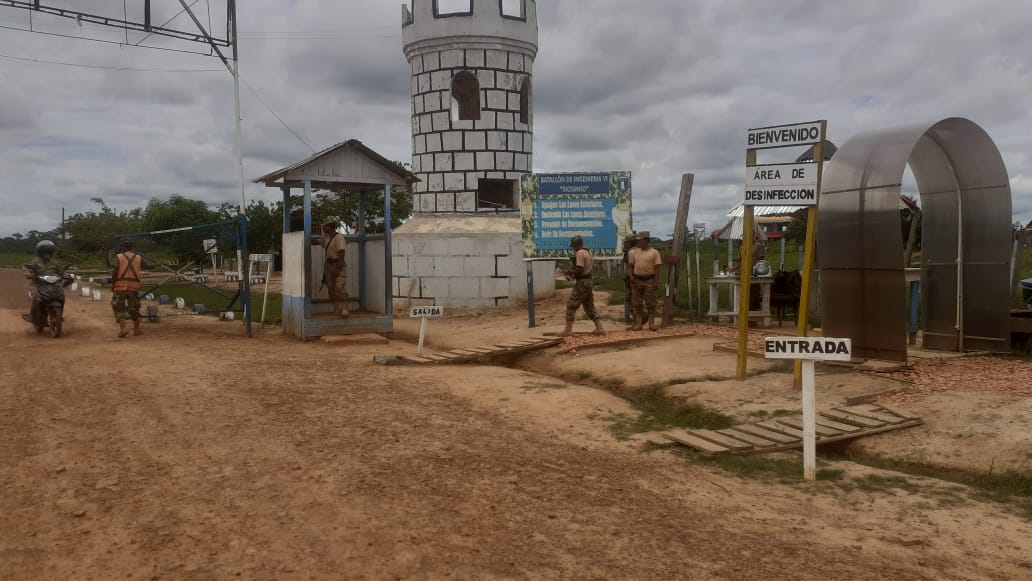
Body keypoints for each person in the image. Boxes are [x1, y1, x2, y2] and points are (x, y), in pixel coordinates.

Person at [111, 240, 160, 338]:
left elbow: (115, 271)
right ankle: (137, 330)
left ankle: (123, 329)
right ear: (131, 248)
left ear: (122, 247)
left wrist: (113, 284)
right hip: (133, 287)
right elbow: (148, 266)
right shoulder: (138, 257)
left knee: (119, 308)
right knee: (134, 308)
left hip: (120, 286)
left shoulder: (118, 257)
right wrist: (158, 264)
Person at [558, 235, 606, 336]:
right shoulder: (588, 252)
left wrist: (570, 272)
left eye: (573, 246)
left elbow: (580, 269)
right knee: (589, 306)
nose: (573, 248)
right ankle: (599, 328)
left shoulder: (579, 253)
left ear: (576, 244)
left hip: (582, 282)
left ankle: (568, 330)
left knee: (571, 304)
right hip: (588, 281)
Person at [22, 240, 64, 326]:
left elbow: (61, 272)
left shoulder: (55, 263)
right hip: (38, 284)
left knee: (61, 297)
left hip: (53, 284)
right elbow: (28, 269)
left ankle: (58, 315)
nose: (47, 255)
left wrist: (66, 275)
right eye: (45, 253)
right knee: (35, 299)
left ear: (52, 253)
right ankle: (33, 317)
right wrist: (29, 274)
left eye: (49, 252)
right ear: (40, 253)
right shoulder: (35, 262)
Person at [628, 231, 663, 331]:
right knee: (636, 303)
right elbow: (630, 265)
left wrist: (656, 282)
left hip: (649, 280)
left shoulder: (654, 252)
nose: (638, 242)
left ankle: (651, 324)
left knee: (650, 303)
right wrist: (631, 277)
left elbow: (657, 269)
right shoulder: (635, 252)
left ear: (646, 241)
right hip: (637, 280)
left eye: (640, 240)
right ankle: (638, 323)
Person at [320, 220, 349, 318]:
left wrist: (338, 268)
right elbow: (317, 242)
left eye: (325, 226)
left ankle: (344, 308)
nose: (323, 228)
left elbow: (341, 252)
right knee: (331, 288)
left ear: (330, 227)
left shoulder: (339, 238)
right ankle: (337, 309)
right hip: (328, 265)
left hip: (337, 263)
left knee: (340, 287)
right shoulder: (326, 238)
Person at [621, 233, 638, 328]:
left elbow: (630, 267)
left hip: (631, 278)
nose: (623, 243)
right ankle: (637, 320)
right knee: (635, 299)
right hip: (635, 277)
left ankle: (636, 321)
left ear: (628, 242)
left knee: (630, 299)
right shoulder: (637, 251)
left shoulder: (630, 252)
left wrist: (630, 277)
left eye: (624, 241)